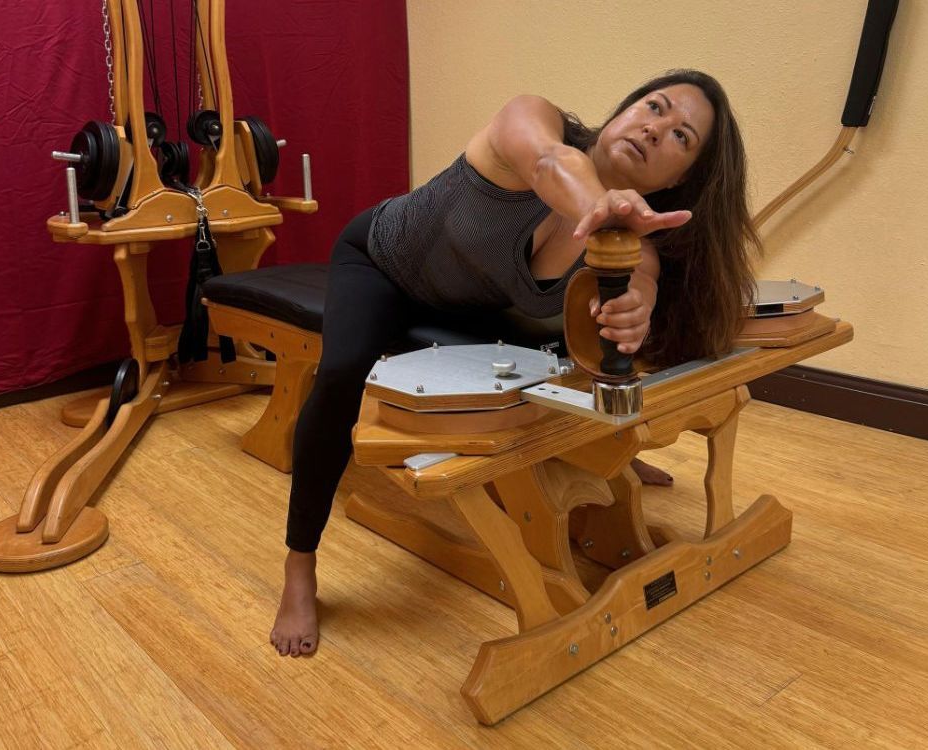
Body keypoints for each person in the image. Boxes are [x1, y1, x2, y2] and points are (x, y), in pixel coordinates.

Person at [271, 69, 759, 657]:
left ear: (682, 179)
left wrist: (638, 308)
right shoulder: (533, 124)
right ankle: (300, 564)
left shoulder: (631, 246)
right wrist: (601, 208)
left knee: (558, 360)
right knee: (344, 371)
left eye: (682, 137)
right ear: (621, 111)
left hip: (470, 308)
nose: (656, 130)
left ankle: (609, 456)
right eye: (653, 108)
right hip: (381, 263)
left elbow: (641, 286)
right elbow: (552, 165)